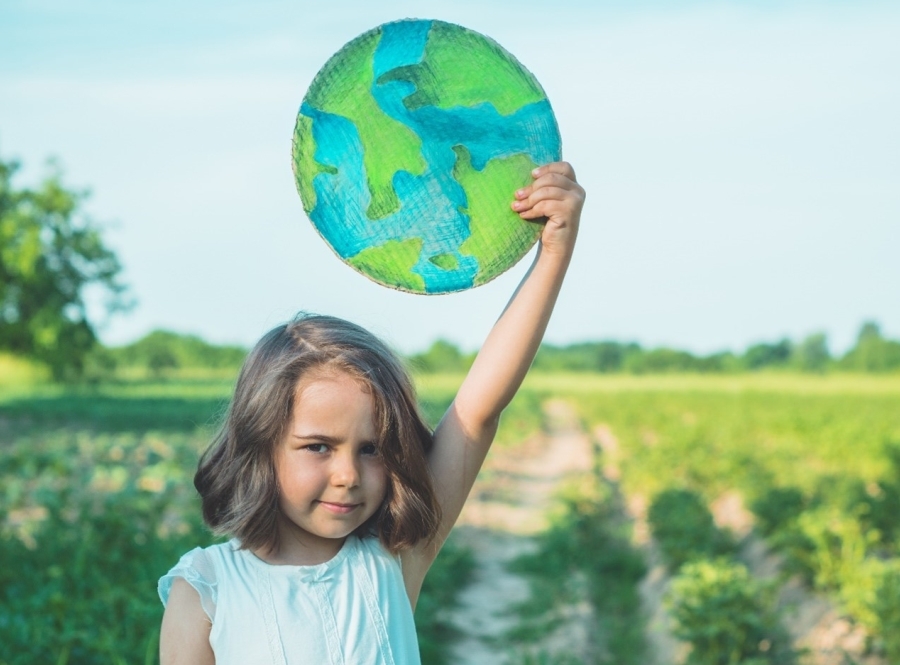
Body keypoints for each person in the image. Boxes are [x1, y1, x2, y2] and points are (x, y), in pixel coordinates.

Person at [158, 161, 585, 664]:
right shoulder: (206, 590)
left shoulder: (392, 558)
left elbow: (478, 410)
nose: (347, 475)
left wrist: (553, 254)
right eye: (318, 446)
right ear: (261, 445)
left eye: (372, 449)